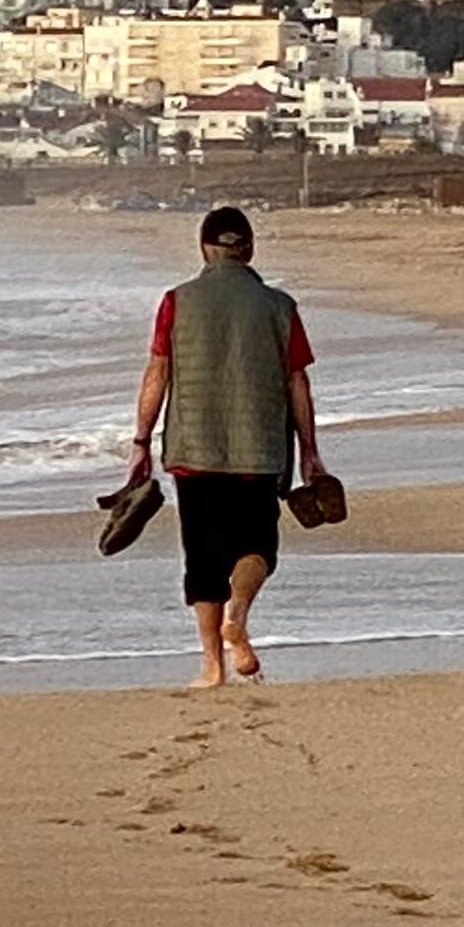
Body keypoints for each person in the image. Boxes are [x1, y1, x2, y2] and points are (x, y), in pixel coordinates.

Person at [125, 205, 323, 691]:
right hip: (259, 448)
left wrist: (140, 442)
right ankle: (238, 616)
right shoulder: (280, 307)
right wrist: (310, 450)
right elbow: (297, 382)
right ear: (249, 249)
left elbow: (158, 373)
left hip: (193, 449)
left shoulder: (176, 301)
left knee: (203, 557)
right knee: (258, 546)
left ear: (203, 249)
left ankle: (212, 667)